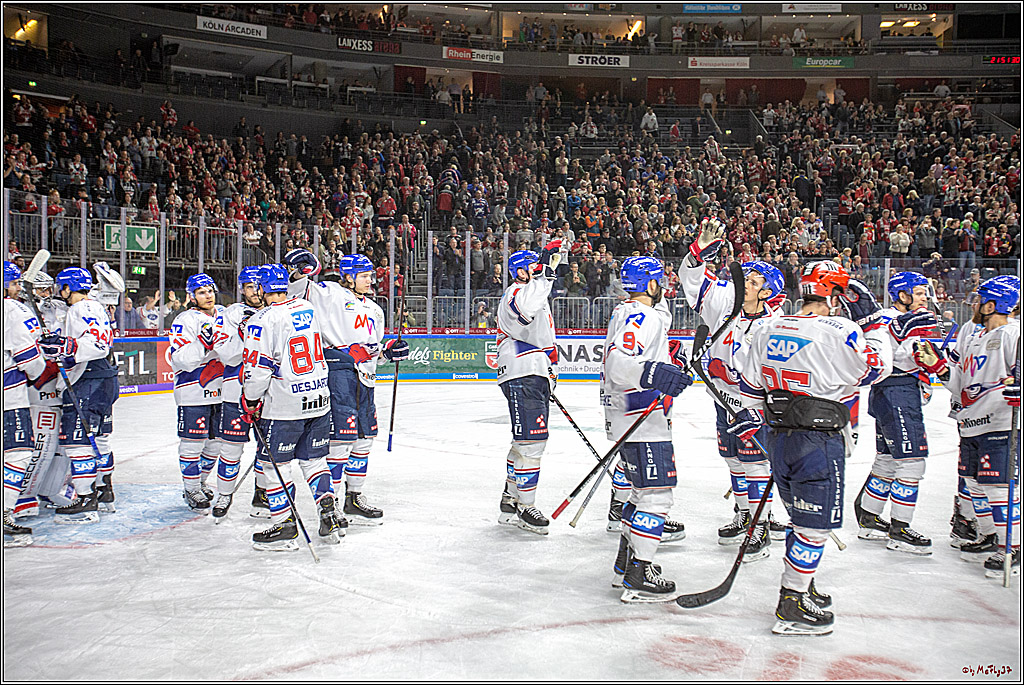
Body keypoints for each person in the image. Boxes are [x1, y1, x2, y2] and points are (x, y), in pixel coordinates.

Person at [736, 261, 893, 635]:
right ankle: (792, 601)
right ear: (836, 295)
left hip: (778, 437)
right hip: (819, 438)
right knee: (814, 526)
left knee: (800, 517)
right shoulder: (842, 330)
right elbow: (877, 368)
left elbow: (748, 387)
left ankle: (803, 586)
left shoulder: (768, 326)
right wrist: (872, 323)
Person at [679, 218, 786, 560]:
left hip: (754, 405)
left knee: (755, 464)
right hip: (722, 400)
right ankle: (744, 515)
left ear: (767, 291)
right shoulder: (727, 302)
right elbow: (694, 283)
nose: (742, 282)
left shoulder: (775, 325)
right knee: (733, 459)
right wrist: (698, 254)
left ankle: (760, 524)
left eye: (752, 281)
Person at [284, 249, 409, 525]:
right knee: (341, 441)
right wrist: (300, 268)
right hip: (339, 375)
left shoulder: (375, 309)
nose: (370, 280)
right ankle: (334, 503)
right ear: (348, 277)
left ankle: (354, 497)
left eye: (370, 275)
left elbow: (373, 349)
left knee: (364, 440)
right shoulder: (330, 293)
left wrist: (388, 352)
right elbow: (296, 288)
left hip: (366, 380)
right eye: (364, 276)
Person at [601, 256, 693, 601]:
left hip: (629, 417)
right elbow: (619, 363)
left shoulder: (630, 311)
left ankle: (625, 564)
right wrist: (655, 373)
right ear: (652, 284)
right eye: (661, 281)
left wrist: (667, 362)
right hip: (642, 419)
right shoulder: (642, 315)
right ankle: (640, 572)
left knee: (640, 494)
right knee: (656, 496)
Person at [240, 264, 344, 550]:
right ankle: (328, 511)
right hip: (318, 399)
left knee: (274, 465)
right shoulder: (306, 309)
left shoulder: (262, 320)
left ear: (261, 289)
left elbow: (257, 369)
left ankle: (285, 523)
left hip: (284, 405)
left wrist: (250, 399)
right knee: (314, 461)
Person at [932, 276, 1020, 577]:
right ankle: (988, 535)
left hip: (999, 422)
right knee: (973, 483)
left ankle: (1013, 547)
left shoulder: (1014, 334)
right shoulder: (975, 337)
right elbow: (960, 385)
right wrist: (939, 368)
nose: (975, 303)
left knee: (998, 487)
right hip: (971, 422)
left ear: (993, 304)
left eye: (981, 298)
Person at [852, 272, 943, 553]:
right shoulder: (893, 319)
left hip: (890, 393)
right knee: (913, 461)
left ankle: (869, 515)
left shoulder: (893, 318)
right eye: (918, 293)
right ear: (902, 296)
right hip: (898, 392)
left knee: (889, 458)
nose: (924, 297)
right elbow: (905, 345)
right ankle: (901, 529)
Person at [38, 266, 120, 524]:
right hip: (102, 378)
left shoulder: (80, 308)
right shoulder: (90, 306)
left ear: (67, 288)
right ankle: (104, 491)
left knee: (76, 441)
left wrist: (66, 346)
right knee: (99, 439)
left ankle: (86, 501)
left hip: (89, 380)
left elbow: (97, 344)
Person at [495, 244, 563, 534]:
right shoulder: (516, 293)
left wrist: (551, 371)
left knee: (522, 442)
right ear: (519, 271)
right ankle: (526, 506)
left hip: (532, 371)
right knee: (532, 443)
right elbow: (524, 311)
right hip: (522, 370)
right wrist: (544, 275)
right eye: (531, 266)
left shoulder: (535, 293)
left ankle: (510, 501)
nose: (536, 270)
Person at [210, 266, 270, 521]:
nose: (255, 292)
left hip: (269, 392)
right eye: (249, 287)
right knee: (231, 447)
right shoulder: (230, 314)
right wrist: (244, 335)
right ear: (242, 289)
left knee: (267, 450)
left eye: (259, 286)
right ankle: (224, 493)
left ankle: (262, 493)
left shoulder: (276, 312)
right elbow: (224, 352)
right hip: (235, 391)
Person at [168, 273, 226, 513]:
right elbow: (179, 359)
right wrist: (202, 343)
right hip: (194, 390)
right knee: (192, 444)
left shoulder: (224, 314)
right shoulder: (185, 319)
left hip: (223, 390)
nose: (208, 295)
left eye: (210, 290)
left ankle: (200, 482)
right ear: (192, 297)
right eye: (202, 292)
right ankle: (191, 488)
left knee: (216, 443)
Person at [3, 262, 49, 546]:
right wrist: (38, 373)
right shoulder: (11, 309)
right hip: (9, 396)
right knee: (18, 453)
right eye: (14, 283)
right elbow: (29, 358)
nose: (19, 288)